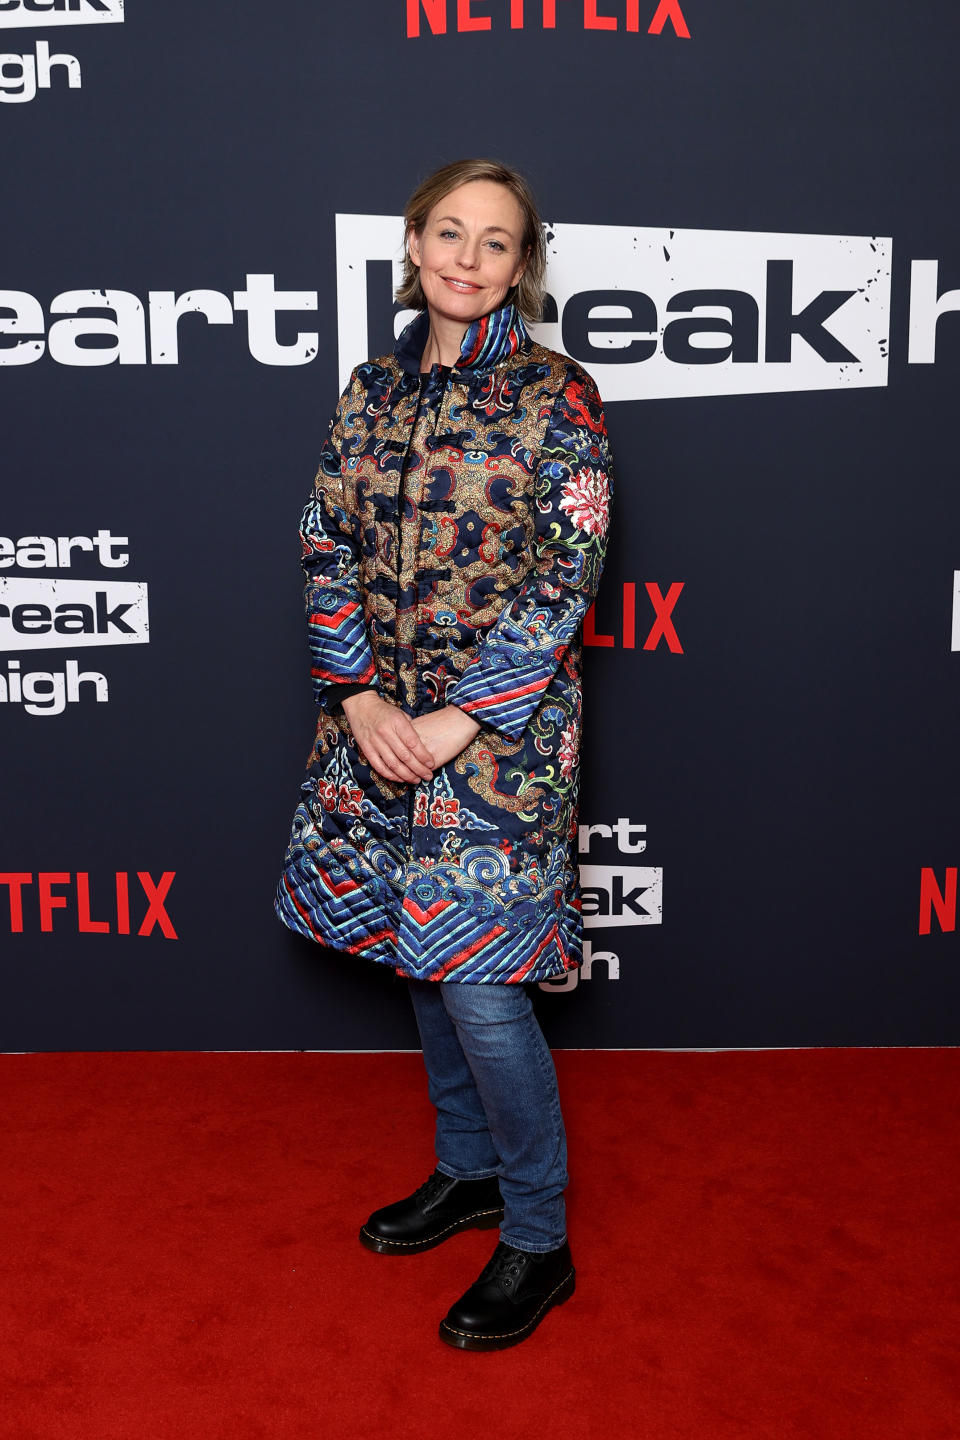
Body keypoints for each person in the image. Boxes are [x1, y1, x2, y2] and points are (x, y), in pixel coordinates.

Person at [276, 158, 613, 1351]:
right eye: (450, 234)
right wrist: (360, 696)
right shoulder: (368, 387)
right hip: (375, 729)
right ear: (414, 245)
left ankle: (538, 1235)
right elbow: (324, 542)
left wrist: (461, 718)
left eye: (497, 243)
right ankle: (467, 1172)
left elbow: (565, 574)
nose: (469, 259)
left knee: (479, 982)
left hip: (498, 740)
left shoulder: (555, 395)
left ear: (522, 267)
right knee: (423, 959)